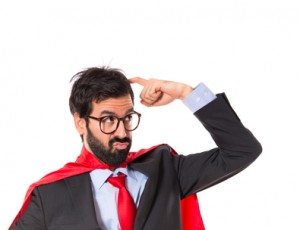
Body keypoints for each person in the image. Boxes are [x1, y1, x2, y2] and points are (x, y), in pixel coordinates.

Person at [9, 66, 262, 230]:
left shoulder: (165, 168)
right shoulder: (48, 195)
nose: (122, 132)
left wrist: (186, 93)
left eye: (127, 117)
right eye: (108, 120)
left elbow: (242, 150)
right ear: (80, 122)